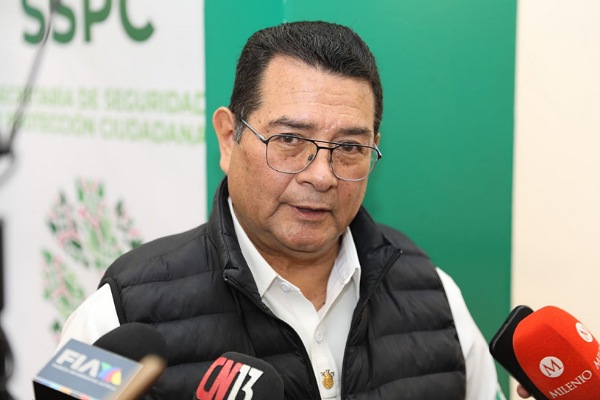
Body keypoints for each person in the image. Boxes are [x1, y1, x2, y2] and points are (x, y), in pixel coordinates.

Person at [59, 21, 506, 399]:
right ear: (228, 138)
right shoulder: (118, 313)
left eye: (349, 147)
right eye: (289, 140)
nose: (322, 176)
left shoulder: (435, 297)